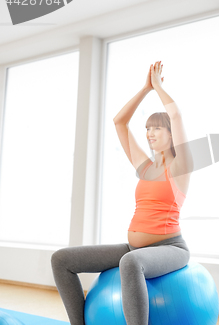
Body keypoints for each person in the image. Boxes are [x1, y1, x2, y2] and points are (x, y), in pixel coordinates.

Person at [51, 61, 193, 325]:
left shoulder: (181, 166)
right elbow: (119, 122)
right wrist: (145, 88)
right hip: (133, 248)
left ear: (172, 135)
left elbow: (177, 116)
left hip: (170, 247)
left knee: (130, 262)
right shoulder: (146, 167)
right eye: (148, 128)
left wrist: (159, 87)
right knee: (61, 260)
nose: (149, 133)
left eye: (156, 128)